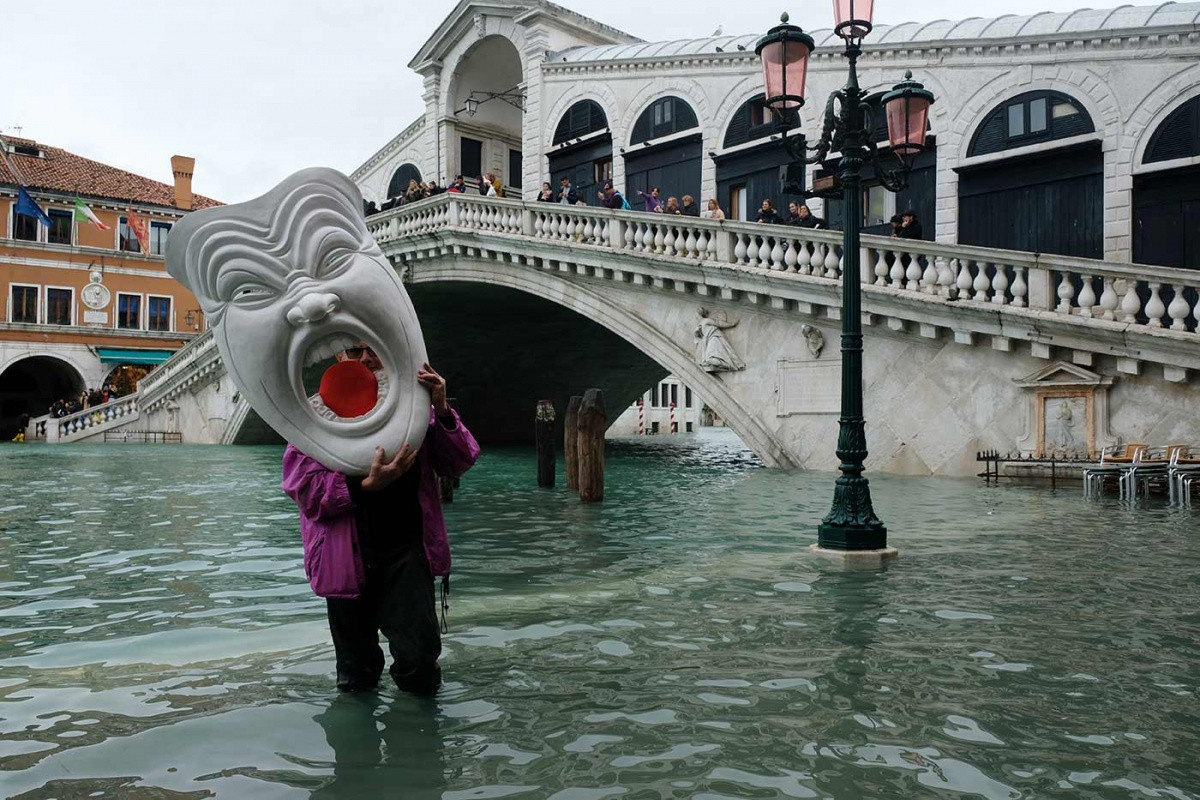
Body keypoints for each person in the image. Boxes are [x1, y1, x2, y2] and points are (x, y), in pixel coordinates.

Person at [282, 347, 479, 696]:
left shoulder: (418, 412)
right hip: (342, 559)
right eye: (358, 352)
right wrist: (361, 487)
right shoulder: (315, 418)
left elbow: (459, 461)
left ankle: (419, 741)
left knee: (419, 663)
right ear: (341, 358)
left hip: (407, 554)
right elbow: (304, 490)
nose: (367, 360)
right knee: (355, 675)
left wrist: (442, 409)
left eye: (375, 351)